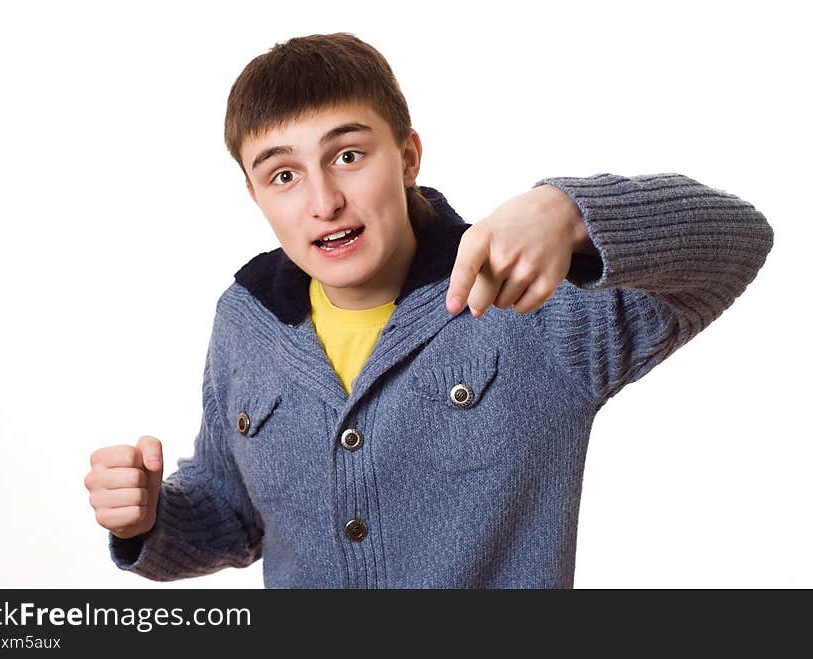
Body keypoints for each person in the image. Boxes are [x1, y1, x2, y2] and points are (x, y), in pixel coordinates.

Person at [83, 32, 774, 588]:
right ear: (255, 194)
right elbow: (232, 515)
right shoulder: (246, 321)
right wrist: (149, 519)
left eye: (348, 154)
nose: (323, 201)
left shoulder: (528, 303)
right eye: (284, 174)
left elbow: (739, 242)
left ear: (407, 156)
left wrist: (569, 213)